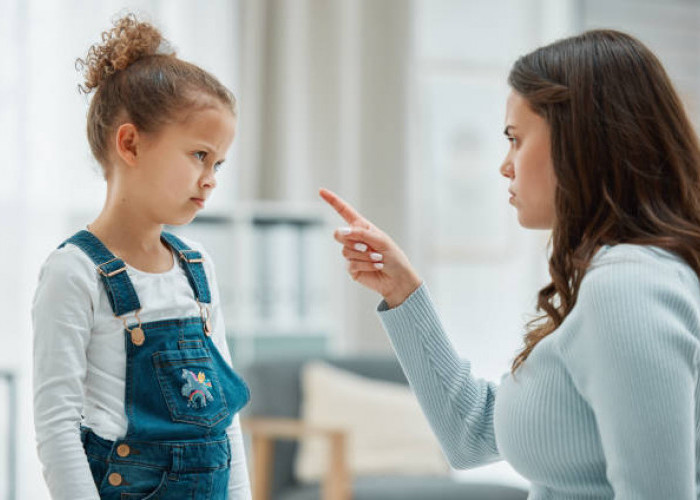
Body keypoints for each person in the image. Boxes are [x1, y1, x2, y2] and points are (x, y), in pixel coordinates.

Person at [320, 29, 700, 499]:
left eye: (516, 139)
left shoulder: (628, 288)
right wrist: (403, 293)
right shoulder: (621, 279)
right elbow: (471, 436)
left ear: (579, 139)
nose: (506, 165)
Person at [31, 13, 251, 499]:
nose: (211, 177)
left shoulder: (198, 270)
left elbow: (224, 423)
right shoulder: (74, 272)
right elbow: (56, 427)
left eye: (218, 163)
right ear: (129, 143)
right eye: (198, 155)